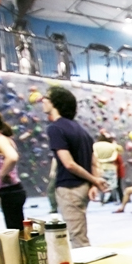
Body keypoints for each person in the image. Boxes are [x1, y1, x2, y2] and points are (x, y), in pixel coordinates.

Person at [42, 86, 108, 247]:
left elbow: (69, 164)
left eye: (46, 98)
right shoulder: (81, 130)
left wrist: (95, 181)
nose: (43, 100)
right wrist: (93, 183)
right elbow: (93, 161)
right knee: (78, 234)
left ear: (55, 103)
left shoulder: (55, 128)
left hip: (70, 188)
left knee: (78, 238)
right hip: (82, 188)